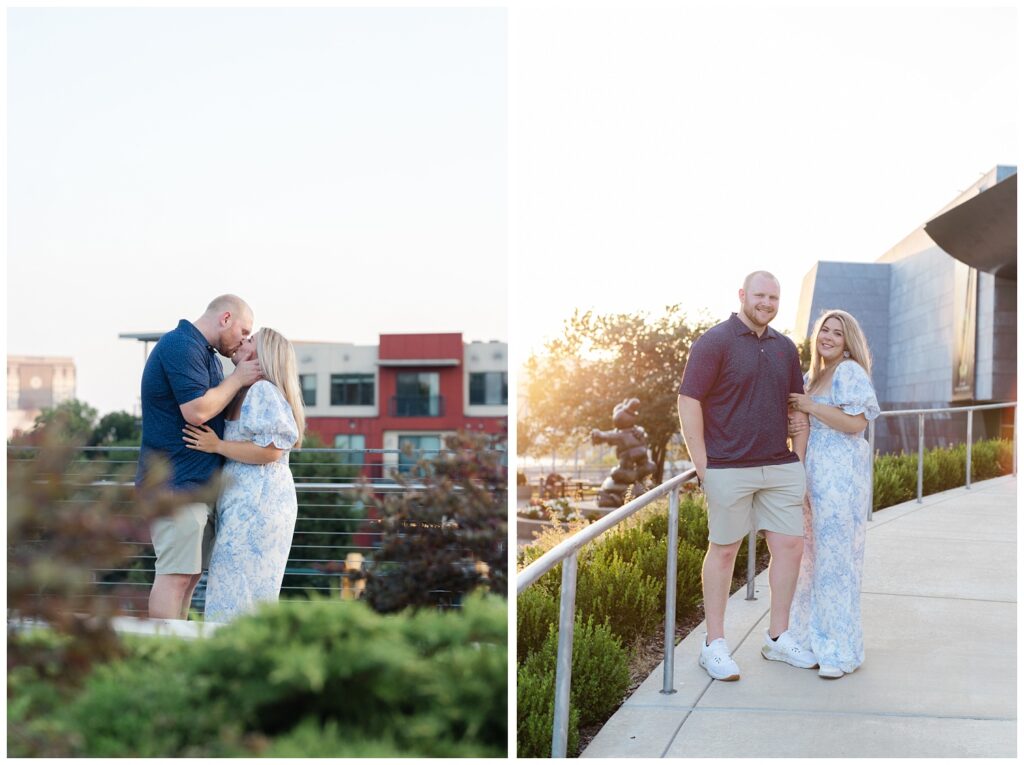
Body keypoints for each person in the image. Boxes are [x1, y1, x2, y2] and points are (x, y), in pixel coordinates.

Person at [677, 270, 816, 681]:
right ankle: (714, 644)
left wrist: (799, 462)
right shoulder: (714, 342)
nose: (767, 304)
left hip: (779, 465)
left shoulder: (786, 347)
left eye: (774, 298)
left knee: (790, 546)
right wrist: (703, 466)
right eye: (760, 295)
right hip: (727, 467)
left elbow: (797, 405)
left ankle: (777, 637)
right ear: (742, 295)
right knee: (723, 550)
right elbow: (688, 402)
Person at [136, 295, 262, 620]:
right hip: (174, 487)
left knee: (188, 579)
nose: (244, 340)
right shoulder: (182, 345)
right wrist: (238, 378)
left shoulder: (205, 355)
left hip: (195, 488)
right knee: (174, 577)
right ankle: (160, 653)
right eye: (244, 331)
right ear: (225, 318)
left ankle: (175, 653)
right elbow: (197, 410)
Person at [182, 327, 305, 622]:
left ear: (263, 357)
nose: (242, 341)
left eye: (250, 340)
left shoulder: (262, 391)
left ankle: (235, 656)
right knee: (233, 585)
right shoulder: (241, 391)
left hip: (260, 506)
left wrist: (217, 445)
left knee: (239, 587)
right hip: (243, 505)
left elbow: (272, 449)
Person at [787, 310, 879, 679]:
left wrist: (810, 406)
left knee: (836, 564)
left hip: (840, 479)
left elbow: (857, 423)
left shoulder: (849, 371)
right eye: (824, 329)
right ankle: (808, 637)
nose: (827, 336)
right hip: (813, 477)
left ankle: (840, 651)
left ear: (847, 342)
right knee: (812, 561)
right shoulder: (814, 375)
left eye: (837, 333)